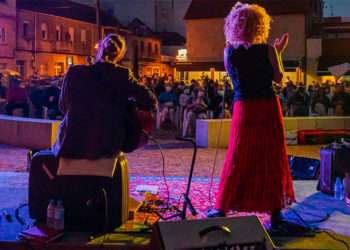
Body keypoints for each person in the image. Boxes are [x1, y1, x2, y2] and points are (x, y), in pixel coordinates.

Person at [212, 2, 295, 225]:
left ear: (234, 26)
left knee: (238, 153)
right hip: (267, 106)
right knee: (271, 155)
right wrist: (278, 53)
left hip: (244, 107)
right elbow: (278, 78)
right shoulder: (268, 50)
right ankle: (275, 211)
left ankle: (223, 207)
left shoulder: (228, 51)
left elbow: (234, 79)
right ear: (260, 26)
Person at [52, 33, 156, 160]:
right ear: (119, 54)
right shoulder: (122, 75)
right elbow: (150, 101)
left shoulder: (74, 73)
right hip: (108, 145)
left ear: (100, 49)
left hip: (72, 143)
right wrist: (130, 107)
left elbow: (63, 106)